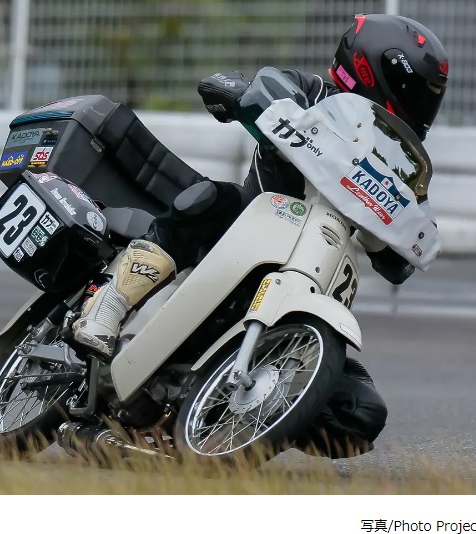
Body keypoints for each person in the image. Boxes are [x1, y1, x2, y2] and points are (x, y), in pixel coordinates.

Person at [72, 13, 449, 457]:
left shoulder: (398, 160)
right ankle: (109, 303)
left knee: (360, 412)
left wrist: (411, 240)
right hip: (242, 235)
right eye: (419, 92)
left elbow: (400, 257)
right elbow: (253, 89)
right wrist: (238, 94)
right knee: (213, 199)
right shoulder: (310, 94)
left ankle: (213, 433)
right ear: (373, 69)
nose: (423, 106)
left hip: (306, 281)